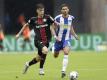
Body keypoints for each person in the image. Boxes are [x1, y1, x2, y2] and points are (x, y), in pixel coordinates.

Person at [16, 3, 56, 75]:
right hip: (37, 40)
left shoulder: (48, 17)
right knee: (45, 50)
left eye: (43, 10)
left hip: (46, 41)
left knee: (38, 58)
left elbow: (54, 24)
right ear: (37, 11)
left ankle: (28, 64)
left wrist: (55, 32)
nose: (42, 12)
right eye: (40, 11)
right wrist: (19, 34)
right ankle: (41, 69)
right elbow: (25, 25)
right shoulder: (33, 19)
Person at [53, 4, 79, 78]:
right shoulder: (57, 18)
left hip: (67, 38)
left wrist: (75, 35)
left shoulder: (71, 18)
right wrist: (55, 36)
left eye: (66, 9)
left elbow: (71, 28)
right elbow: (53, 28)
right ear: (61, 10)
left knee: (66, 52)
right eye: (63, 9)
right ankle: (54, 49)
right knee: (55, 56)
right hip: (58, 39)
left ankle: (63, 71)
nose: (65, 10)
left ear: (68, 10)